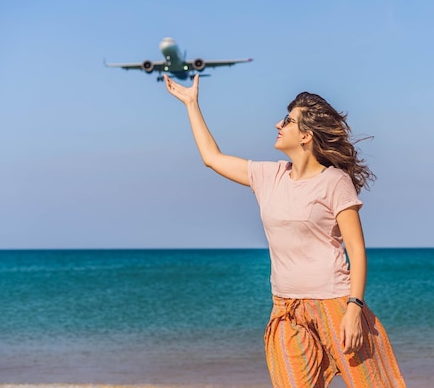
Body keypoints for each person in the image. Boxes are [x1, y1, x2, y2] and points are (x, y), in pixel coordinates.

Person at [165, 74, 406, 388]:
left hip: (334, 303)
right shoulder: (270, 176)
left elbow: (356, 251)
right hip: (286, 309)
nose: (278, 125)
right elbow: (212, 158)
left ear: (306, 136)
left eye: (288, 121)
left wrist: (353, 309)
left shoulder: (335, 182)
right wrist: (191, 104)